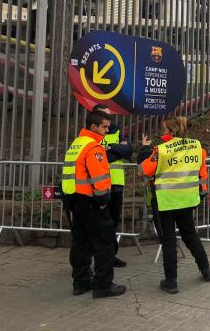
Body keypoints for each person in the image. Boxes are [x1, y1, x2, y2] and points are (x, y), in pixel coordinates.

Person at [137, 116, 210, 294]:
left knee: (168, 240)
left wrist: (144, 151)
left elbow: (143, 171)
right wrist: (202, 192)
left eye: (165, 130)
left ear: (172, 132)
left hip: (165, 202)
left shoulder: (161, 150)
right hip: (187, 200)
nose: (163, 133)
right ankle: (206, 270)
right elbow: (202, 174)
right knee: (190, 235)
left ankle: (171, 282)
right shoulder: (198, 148)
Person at [62, 111, 126, 298]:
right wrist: (103, 201)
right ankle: (103, 285)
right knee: (104, 243)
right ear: (94, 127)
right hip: (92, 202)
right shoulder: (94, 148)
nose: (107, 131)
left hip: (75, 201)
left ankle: (80, 283)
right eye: (105, 127)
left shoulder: (76, 144)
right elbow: (99, 180)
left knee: (80, 243)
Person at [92, 104, 133, 268]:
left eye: (109, 115)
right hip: (99, 186)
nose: (109, 119)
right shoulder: (92, 133)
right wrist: (115, 151)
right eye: (105, 115)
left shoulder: (116, 130)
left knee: (113, 222)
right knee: (99, 224)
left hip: (116, 185)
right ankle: (98, 258)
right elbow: (101, 157)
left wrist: (108, 148)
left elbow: (128, 151)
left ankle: (111, 256)